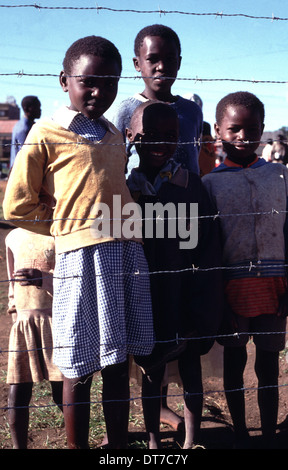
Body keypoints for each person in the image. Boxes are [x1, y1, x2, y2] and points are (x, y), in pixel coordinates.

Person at [3, 36, 154, 449]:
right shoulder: (46, 133)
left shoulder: (111, 133)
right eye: (88, 82)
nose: (99, 92)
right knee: (78, 364)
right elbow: (15, 205)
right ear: (63, 80)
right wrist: (64, 227)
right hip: (80, 260)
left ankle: (118, 449)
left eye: (109, 83)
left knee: (118, 362)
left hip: (125, 253)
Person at [126, 101, 223, 449]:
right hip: (145, 301)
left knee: (191, 368)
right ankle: (153, 441)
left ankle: (191, 441)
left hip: (185, 298)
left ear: (180, 139)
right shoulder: (125, 191)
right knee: (152, 375)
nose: (159, 143)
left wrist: (202, 305)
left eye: (169, 136)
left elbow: (207, 248)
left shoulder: (191, 188)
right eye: (149, 135)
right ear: (130, 137)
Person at [202, 91, 288, 449]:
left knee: (269, 364)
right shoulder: (210, 184)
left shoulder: (280, 176)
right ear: (219, 131)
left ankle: (269, 435)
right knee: (235, 363)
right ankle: (239, 432)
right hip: (232, 291)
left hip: (275, 287)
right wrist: (218, 299)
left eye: (251, 129)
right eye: (234, 129)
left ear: (263, 130)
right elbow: (208, 247)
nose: (243, 136)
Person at [112, 24, 203, 175]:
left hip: (188, 196)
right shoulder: (126, 109)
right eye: (152, 59)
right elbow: (116, 160)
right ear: (137, 64)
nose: (161, 67)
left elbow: (194, 155)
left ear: (179, 63)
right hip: (138, 196)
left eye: (169, 59)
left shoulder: (192, 111)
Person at [5, 228, 63, 449]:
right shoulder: (13, 237)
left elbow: (71, 282)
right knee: (18, 391)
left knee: (62, 391)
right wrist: (15, 312)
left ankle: (76, 440)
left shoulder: (59, 233)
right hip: (24, 324)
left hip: (55, 322)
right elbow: (12, 281)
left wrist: (44, 279)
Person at [10, 96, 41, 169]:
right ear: (27, 109)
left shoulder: (29, 125)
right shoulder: (24, 129)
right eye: (37, 107)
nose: (40, 110)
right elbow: (25, 156)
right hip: (21, 171)